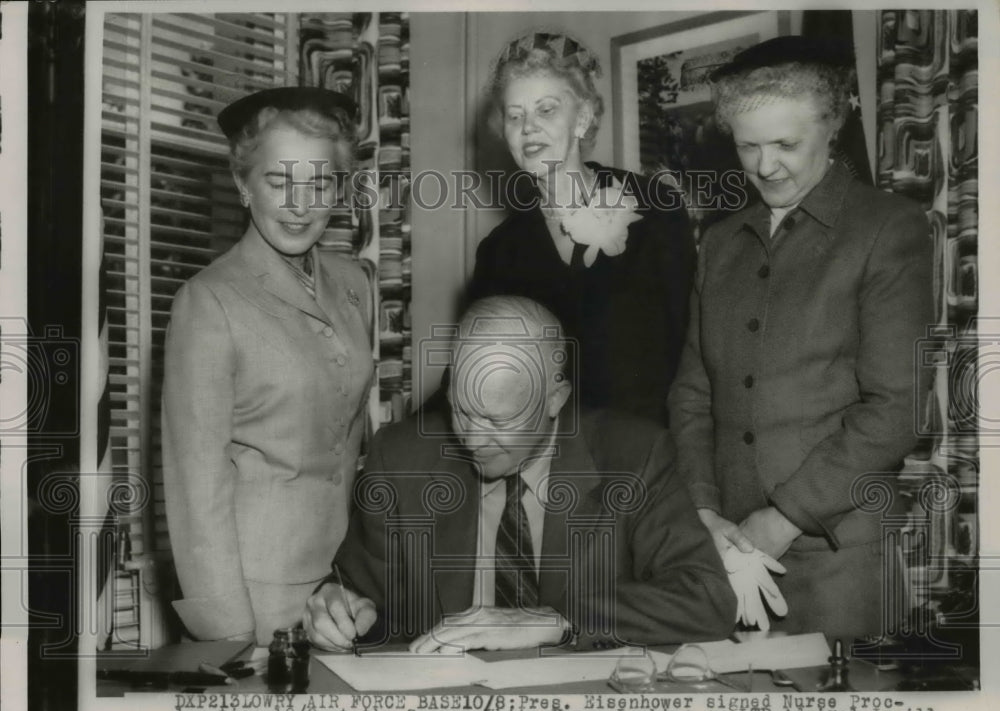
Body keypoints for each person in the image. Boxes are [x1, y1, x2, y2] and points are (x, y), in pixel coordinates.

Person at [668, 36, 934, 642]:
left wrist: (784, 517)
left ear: (832, 126)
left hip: (840, 555)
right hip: (728, 551)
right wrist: (704, 510)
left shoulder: (888, 228)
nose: (766, 166)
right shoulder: (718, 242)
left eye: (787, 144)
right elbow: (693, 393)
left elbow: (898, 409)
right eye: (748, 146)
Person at [304, 296, 736, 653]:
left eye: (497, 421)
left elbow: (705, 599)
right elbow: (359, 595)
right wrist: (339, 609)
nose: (473, 440)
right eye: (462, 410)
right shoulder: (399, 459)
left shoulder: (633, 457)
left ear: (555, 400)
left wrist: (558, 622)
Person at [162, 87, 374, 644]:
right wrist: (231, 638)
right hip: (254, 598)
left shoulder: (355, 284)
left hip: (345, 590)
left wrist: (364, 577)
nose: (300, 204)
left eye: (320, 183)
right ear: (242, 185)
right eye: (279, 182)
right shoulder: (207, 302)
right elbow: (196, 491)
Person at [466, 32, 697, 425]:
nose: (528, 128)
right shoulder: (499, 250)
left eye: (546, 110)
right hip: (551, 469)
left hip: (650, 459)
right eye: (515, 115)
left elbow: (695, 358)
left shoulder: (657, 208)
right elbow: (480, 374)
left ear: (584, 118)